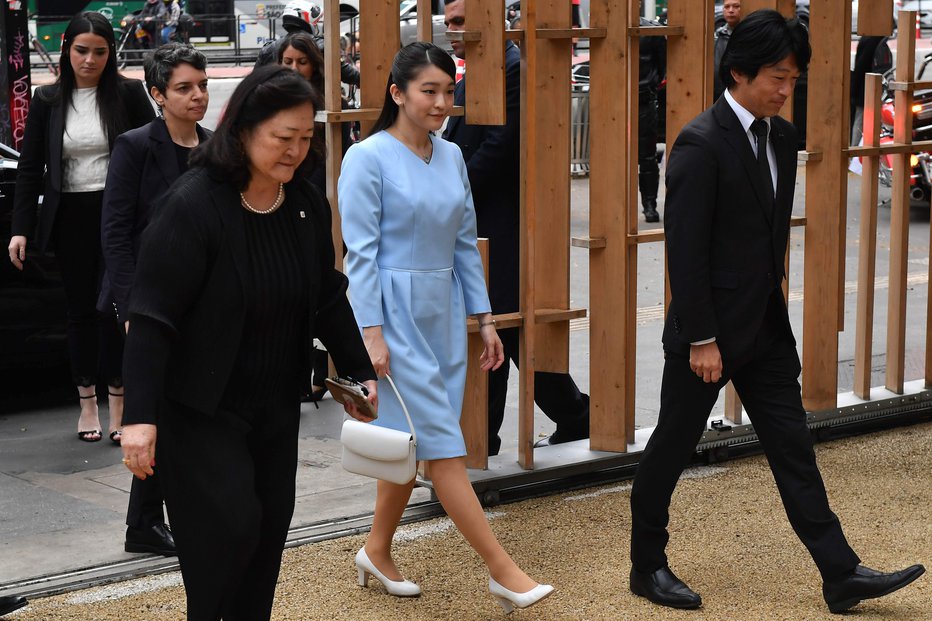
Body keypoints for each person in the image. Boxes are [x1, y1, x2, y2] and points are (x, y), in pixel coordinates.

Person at [628, 10, 926, 613]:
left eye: (794, 78)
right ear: (738, 72)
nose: (787, 90)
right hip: (705, 337)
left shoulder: (782, 137)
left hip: (764, 327)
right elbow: (684, 254)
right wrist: (703, 337)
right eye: (778, 77)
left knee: (793, 448)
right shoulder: (699, 142)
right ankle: (647, 565)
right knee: (671, 448)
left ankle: (840, 573)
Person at [119, 65, 377, 620]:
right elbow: (151, 319)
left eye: (306, 138)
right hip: (200, 408)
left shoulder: (304, 204)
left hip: (275, 404)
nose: (296, 151)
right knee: (229, 529)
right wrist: (138, 419)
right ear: (242, 131)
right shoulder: (191, 206)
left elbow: (326, 295)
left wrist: (359, 372)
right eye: (284, 138)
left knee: (267, 532)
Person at [339, 42, 553, 613]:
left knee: (416, 438)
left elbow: (464, 243)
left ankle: (376, 549)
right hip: (394, 308)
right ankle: (502, 570)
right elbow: (358, 254)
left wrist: (485, 319)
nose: (440, 103)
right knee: (442, 447)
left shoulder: (453, 156)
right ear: (397, 94)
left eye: (447, 92)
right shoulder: (366, 157)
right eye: (428, 91)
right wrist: (371, 333)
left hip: (444, 306)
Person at [443, 0, 589, 454]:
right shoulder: (472, 75)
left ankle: (482, 442)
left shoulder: (511, 68)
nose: (454, 31)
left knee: (500, 325)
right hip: (480, 221)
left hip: (503, 222)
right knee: (511, 331)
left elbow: (501, 148)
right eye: (449, 22)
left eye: (463, 21)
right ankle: (575, 416)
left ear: (494, 20)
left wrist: (448, 187)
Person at [7, 12, 154, 444]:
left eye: (99, 52)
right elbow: (31, 167)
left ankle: (120, 403)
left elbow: (153, 147)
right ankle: (87, 402)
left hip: (119, 214)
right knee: (80, 312)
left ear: (111, 54)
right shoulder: (48, 99)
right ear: (66, 50)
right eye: (81, 50)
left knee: (115, 310)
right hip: (69, 214)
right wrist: (20, 228)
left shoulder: (128, 93)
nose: (89, 60)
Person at [100, 43, 211, 558]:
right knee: (154, 410)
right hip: (150, 303)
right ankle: (145, 521)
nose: (197, 96)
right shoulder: (135, 146)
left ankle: (153, 519)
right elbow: (117, 232)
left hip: (203, 301)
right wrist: (129, 310)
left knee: (185, 409)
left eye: (202, 85)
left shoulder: (215, 147)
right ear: (157, 94)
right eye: (185, 88)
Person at [276, 29, 354, 402]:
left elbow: (341, 153)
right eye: (287, 61)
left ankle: (322, 374)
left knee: (323, 284)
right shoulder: (269, 102)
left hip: (323, 204)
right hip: (281, 205)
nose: (293, 68)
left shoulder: (327, 103)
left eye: (301, 62)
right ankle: (308, 369)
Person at [637, 17, 666, 223]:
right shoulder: (610, 26)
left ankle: (649, 204)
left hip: (644, 99)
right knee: (613, 157)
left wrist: (653, 90)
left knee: (647, 156)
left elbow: (664, 65)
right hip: (614, 100)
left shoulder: (651, 31)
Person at [713, 0, 742, 103]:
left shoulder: (748, 35)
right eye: (727, 7)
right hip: (718, 92)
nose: (731, 10)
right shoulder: (717, 35)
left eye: (736, 6)